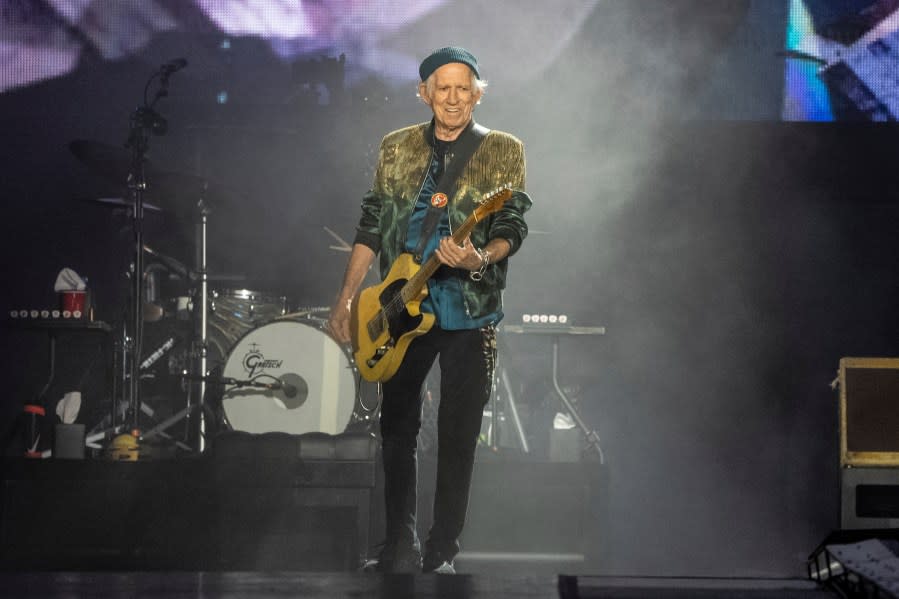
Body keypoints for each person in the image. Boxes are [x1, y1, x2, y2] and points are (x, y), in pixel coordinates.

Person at [328, 46, 532, 574]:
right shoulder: (395, 148)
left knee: (457, 434)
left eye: (464, 88)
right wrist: (347, 298)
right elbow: (371, 224)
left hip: (468, 308)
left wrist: (479, 255)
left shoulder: (502, 149)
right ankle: (397, 545)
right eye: (443, 88)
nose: (454, 98)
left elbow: (513, 224)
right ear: (424, 93)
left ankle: (442, 552)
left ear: (478, 93)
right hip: (400, 306)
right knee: (396, 428)